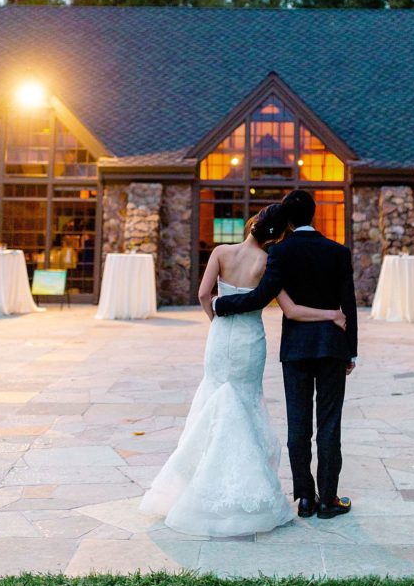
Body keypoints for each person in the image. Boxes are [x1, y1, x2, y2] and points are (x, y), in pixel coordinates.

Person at [139, 203, 347, 536]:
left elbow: (204, 293)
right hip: (250, 340)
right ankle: (244, 485)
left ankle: (197, 480)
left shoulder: (221, 252)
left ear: (252, 224)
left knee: (214, 398)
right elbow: (291, 310)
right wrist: (331, 315)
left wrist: (216, 322)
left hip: (220, 337)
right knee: (245, 404)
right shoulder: (269, 262)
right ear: (278, 234)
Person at [211, 189, 358, 521]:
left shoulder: (280, 251)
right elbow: (348, 304)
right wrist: (351, 351)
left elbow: (261, 296)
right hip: (333, 345)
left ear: (288, 220)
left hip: (295, 349)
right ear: (313, 214)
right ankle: (329, 500)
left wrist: (223, 304)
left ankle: (305, 498)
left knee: (298, 423)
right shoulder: (338, 251)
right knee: (330, 423)